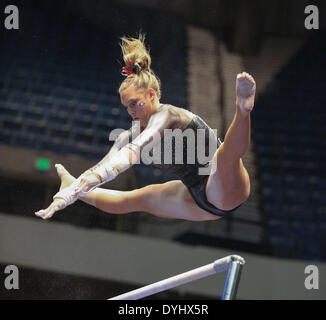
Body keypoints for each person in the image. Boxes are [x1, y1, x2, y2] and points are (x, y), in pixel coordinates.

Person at [35, 34, 255, 222]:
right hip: (197, 200)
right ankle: (70, 185)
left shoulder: (167, 115)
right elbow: (106, 166)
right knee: (136, 199)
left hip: (224, 185)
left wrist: (71, 194)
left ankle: (242, 110)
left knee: (224, 156)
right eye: (126, 106)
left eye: (134, 103)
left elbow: (137, 149)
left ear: (151, 95)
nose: (130, 110)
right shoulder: (131, 134)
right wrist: (71, 194)